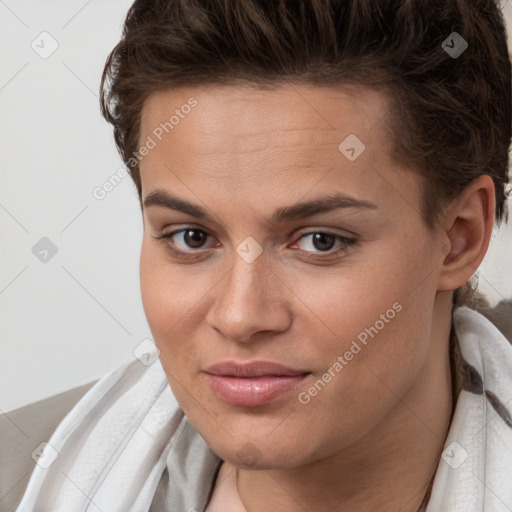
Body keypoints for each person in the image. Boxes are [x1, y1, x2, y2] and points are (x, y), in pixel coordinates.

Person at [3, 0, 512, 510]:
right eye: (192, 237)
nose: (240, 317)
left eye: (320, 241)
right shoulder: (19, 476)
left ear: (460, 237)